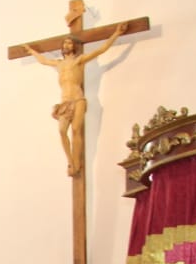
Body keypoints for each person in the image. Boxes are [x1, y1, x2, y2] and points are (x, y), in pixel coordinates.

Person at [21, 23, 126, 177]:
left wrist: (116, 33)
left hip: (78, 99)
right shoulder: (58, 64)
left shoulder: (79, 60)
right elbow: (43, 60)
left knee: (76, 130)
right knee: (62, 131)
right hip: (64, 103)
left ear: (74, 46)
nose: (67, 45)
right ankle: (70, 161)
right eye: (65, 43)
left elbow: (101, 50)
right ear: (62, 48)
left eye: (69, 43)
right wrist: (30, 51)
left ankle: (76, 163)